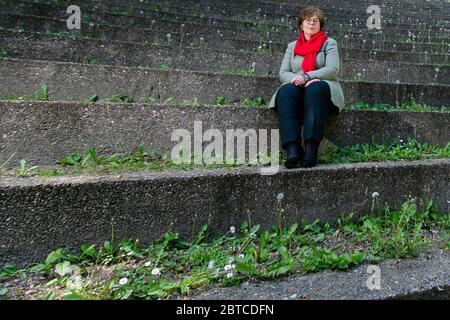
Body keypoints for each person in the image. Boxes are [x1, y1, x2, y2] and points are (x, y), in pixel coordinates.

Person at [267, 6, 345, 168]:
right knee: (286, 90)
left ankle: (311, 148)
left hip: (322, 86)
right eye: (308, 20)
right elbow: (283, 73)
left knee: (315, 89)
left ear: (320, 24)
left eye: (316, 20)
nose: (312, 23)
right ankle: (293, 148)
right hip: (297, 86)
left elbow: (332, 69)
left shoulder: (329, 43)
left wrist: (309, 76)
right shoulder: (292, 46)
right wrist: (299, 80)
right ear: (301, 25)